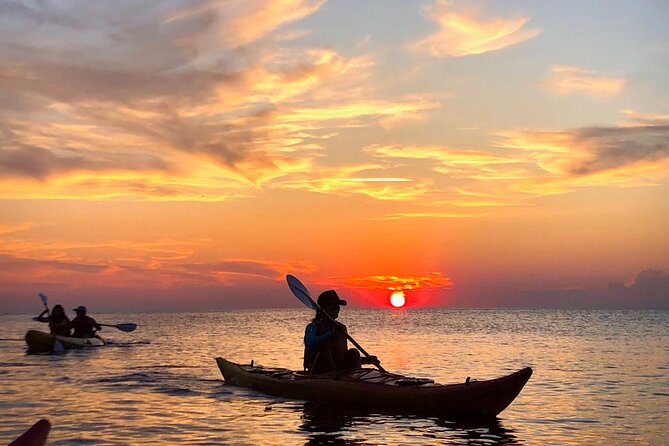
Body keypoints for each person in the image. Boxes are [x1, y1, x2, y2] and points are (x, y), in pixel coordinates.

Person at [303, 290, 378, 374]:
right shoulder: (313, 327)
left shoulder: (341, 328)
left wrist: (367, 360)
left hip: (340, 371)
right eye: (333, 305)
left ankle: (354, 380)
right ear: (323, 308)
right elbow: (309, 343)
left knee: (354, 352)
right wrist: (331, 335)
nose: (337, 308)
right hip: (319, 373)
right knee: (325, 353)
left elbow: (342, 356)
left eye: (337, 305)